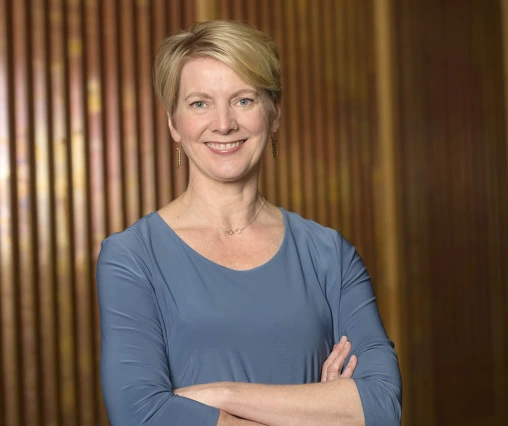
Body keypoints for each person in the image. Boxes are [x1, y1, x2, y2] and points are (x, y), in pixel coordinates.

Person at [97, 20, 401, 426]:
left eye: (243, 100)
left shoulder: (329, 254)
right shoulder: (131, 257)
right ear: (174, 123)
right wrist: (322, 409)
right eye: (199, 103)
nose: (223, 124)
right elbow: (141, 416)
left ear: (274, 114)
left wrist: (221, 395)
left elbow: (382, 407)